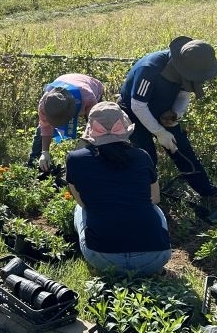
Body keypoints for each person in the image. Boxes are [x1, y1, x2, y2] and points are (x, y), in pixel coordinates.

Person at [118, 36, 217, 220]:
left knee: (182, 150)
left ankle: (208, 193)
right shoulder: (149, 69)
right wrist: (159, 133)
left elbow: (183, 94)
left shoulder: (190, 68)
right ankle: (147, 199)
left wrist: (175, 115)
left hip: (163, 112)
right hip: (135, 112)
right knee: (146, 156)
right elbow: (138, 105)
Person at [66, 101, 171, 276]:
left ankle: (102, 267)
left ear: (91, 131)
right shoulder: (142, 156)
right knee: (154, 208)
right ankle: (152, 269)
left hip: (103, 258)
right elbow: (155, 198)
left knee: (80, 209)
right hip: (154, 257)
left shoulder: (75, 159)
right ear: (124, 127)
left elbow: (82, 202)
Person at [29, 73, 105, 171]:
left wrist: (83, 145)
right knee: (41, 129)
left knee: (97, 133)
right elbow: (45, 127)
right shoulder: (45, 104)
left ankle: (96, 163)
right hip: (66, 80)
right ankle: (33, 163)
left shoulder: (88, 97)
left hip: (90, 86)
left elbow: (94, 125)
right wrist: (45, 152)